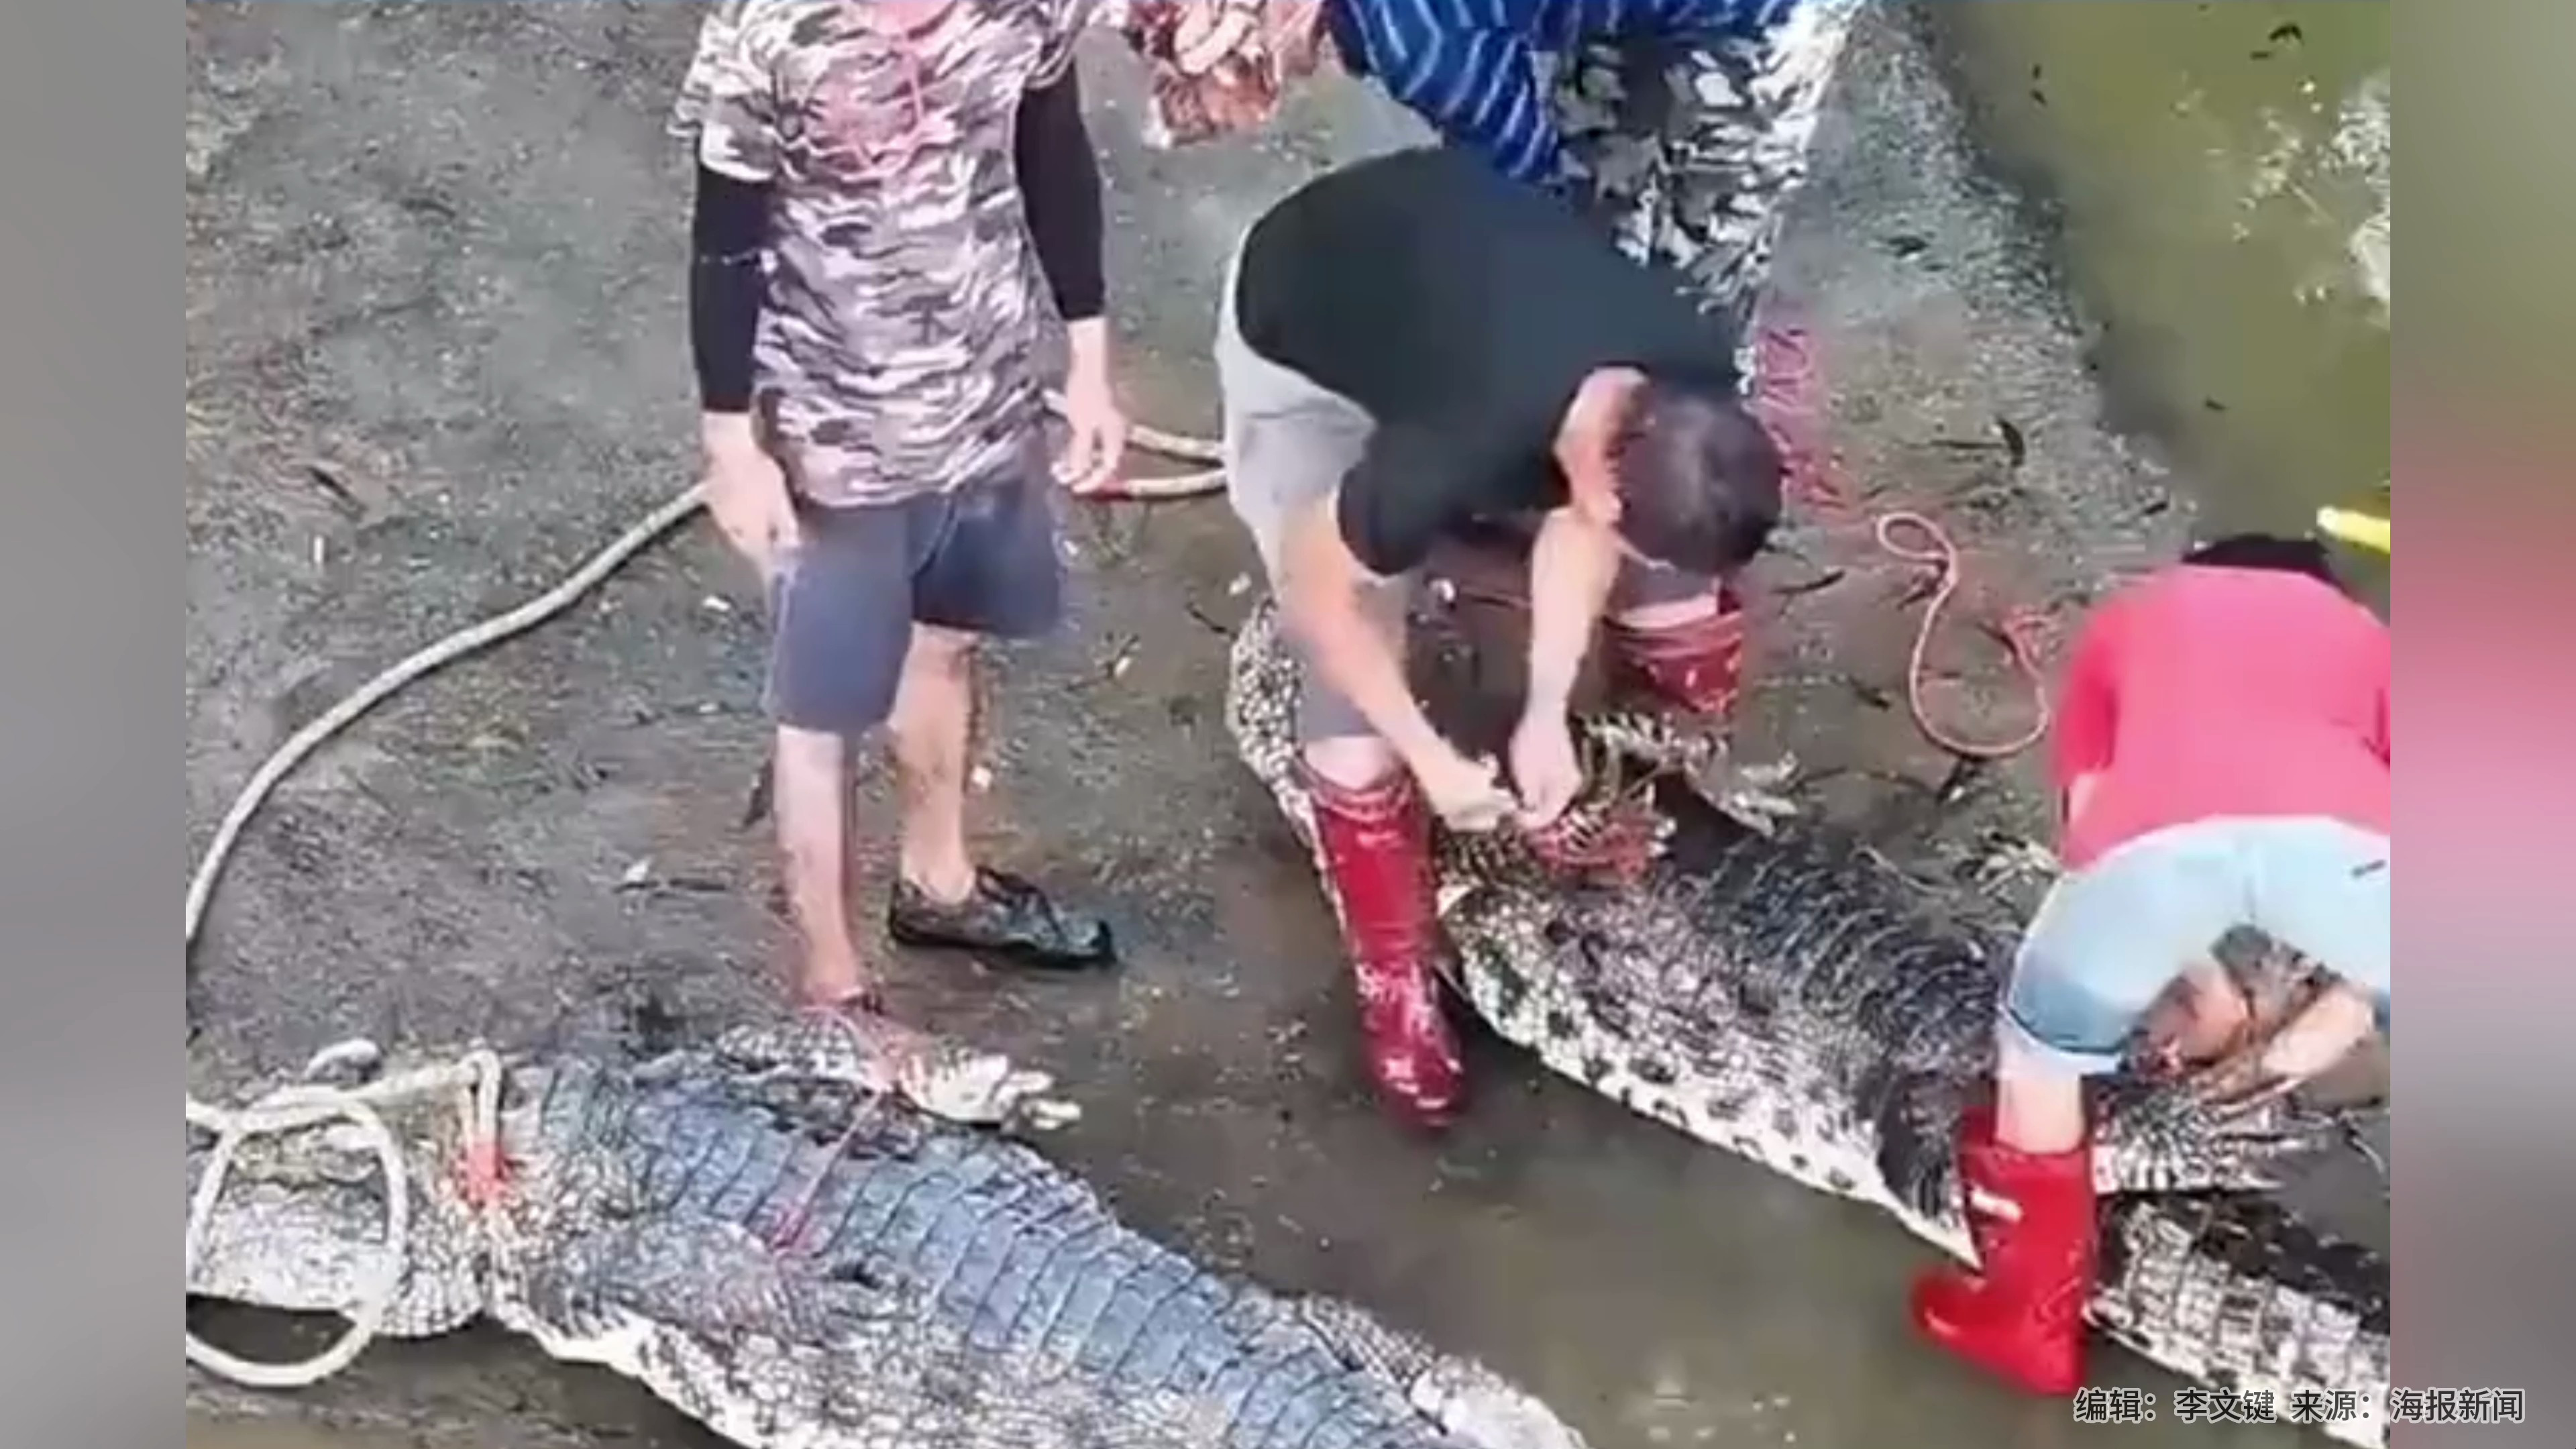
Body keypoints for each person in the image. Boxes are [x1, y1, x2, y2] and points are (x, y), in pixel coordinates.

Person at [1216, 148, 1786, 1130]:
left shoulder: (1689, 376)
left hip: (1458, 266)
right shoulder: (1455, 441)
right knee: (1351, 721)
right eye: (1614, 519)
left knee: (1678, 589)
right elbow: (1319, 596)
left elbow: (1587, 525)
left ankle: (1664, 779)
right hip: (1304, 340)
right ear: (1603, 479)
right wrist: (1432, 758)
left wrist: (1546, 715)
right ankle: (1394, 980)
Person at [672, 0, 1131, 1016]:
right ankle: (836, 992)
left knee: (948, 643)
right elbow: (726, 250)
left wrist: (1090, 359)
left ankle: (942, 884)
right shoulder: (771, 37)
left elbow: (1053, 153)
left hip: (986, 395)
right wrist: (729, 443)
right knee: (822, 713)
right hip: (833, 440)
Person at [1909, 533, 2391, 1397]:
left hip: (2157, 845)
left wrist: (2203, 986)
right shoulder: (2363, 639)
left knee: (2039, 1056)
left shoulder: (2136, 618)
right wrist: (2331, 1018)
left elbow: (2094, 825)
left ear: (2196, 571)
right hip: (2353, 851)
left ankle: (2031, 1326)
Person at [1122, 0, 1868, 357]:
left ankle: (1681, 529)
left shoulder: (1407, 36)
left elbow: (1527, 175)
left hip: (1762, 15)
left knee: (1701, 263)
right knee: (1603, 148)